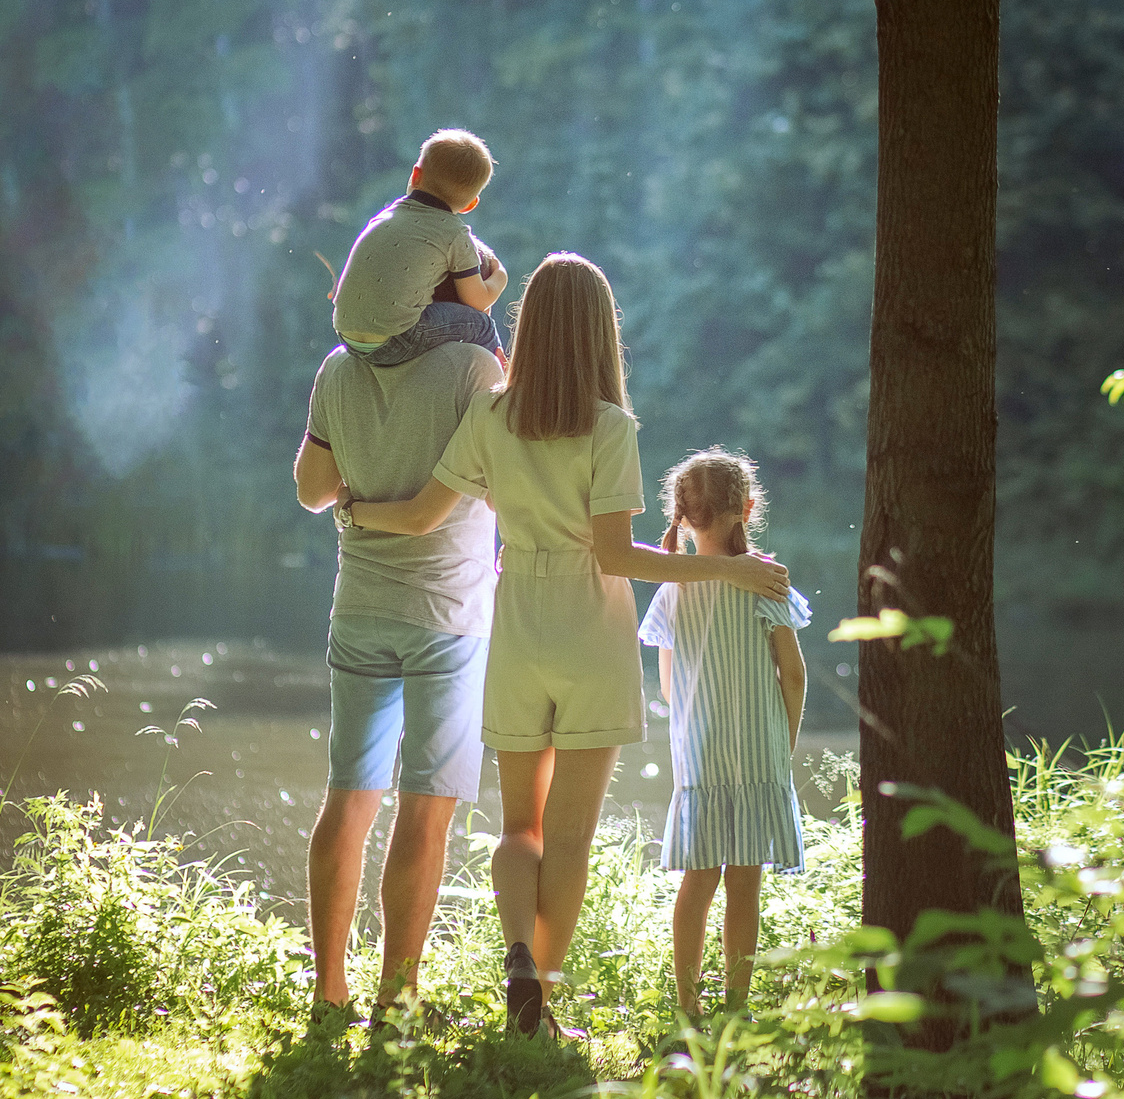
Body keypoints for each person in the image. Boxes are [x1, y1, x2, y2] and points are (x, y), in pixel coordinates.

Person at [347, 253, 790, 1036]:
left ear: (531, 326)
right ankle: (540, 1006)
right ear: (600, 334)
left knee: (521, 826)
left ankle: (519, 955)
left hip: (516, 619)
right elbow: (617, 555)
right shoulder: (611, 427)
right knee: (570, 837)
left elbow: (420, 515)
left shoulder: (490, 413)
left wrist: (352, 512)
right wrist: (729, 572)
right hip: (592, 626)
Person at [293, 330, 503, 1016]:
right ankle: (396, 1000)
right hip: (448, 614)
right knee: (425, 809)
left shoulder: (339, 368)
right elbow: (506, 485)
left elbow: (312, 489)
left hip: (359, 607)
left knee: (347, 796)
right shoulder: (474, 366)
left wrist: (362, 490)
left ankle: (328, 993)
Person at [642, 448, 809, 1019]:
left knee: (698, 880)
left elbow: (668, 690)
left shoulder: (673, 591)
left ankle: (687, 1006)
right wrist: (782, 743)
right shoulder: (765, 584)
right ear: (748, 507)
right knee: (745, 884)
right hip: (759, 756)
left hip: (699, 760)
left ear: (683, 518)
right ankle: (737, 1008)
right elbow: (793, 675)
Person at [331, 128, 509, 368]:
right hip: (395, 340)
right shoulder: (454, 233)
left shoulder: (385, 216)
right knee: (481, 324)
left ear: (416, 175)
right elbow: (477, 300)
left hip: (345, 333)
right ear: (470, 205)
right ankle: (501, 380)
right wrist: (500, 275)